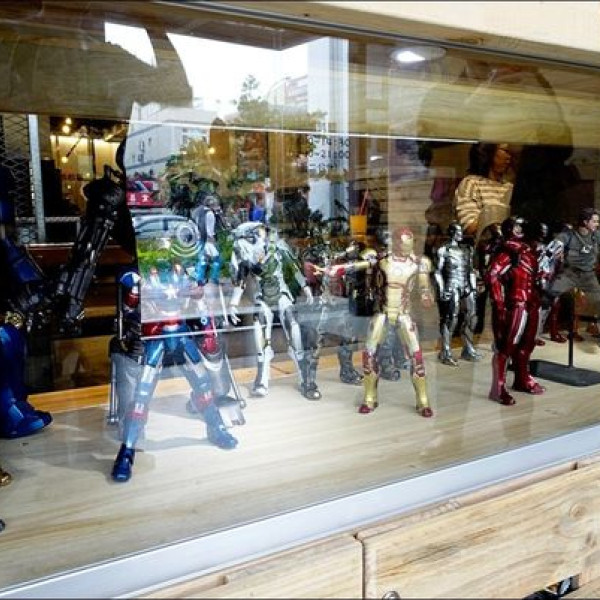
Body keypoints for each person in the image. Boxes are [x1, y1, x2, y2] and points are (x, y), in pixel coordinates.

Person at [485, 217, 546, 406]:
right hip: (516, 302)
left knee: (527, 344)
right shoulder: (507, 251)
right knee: (507, 345)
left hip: (531, 300)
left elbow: (532, 274)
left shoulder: (526, 249)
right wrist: (499, 302)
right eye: (516, 226)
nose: (519, 229)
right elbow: (492, 274)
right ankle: (498, 388)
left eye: (521, 226)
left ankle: (522, 378)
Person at [546, 207, 600, 339]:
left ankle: (592, 325)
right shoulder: (568, 235)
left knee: (598, 300)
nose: (597, 224)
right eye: (594, 221)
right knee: (548, 295)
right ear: (585, 222)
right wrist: (555, 252)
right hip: (569, 273)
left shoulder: (596, 235)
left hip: (588, 275)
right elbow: (551, 250)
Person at [434, 222, 481, 366]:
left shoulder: (467, 249)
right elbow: (437, 272)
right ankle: (446, 351)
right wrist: (442, 289)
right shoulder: (444, 250)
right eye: (457, 231)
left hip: (466, 285)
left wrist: (473, 287)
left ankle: (468, 348)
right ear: (451, 232)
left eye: (461, 231)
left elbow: (471, 270)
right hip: (452, 284)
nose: (460, 234)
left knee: (472, 316)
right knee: (451, 318)